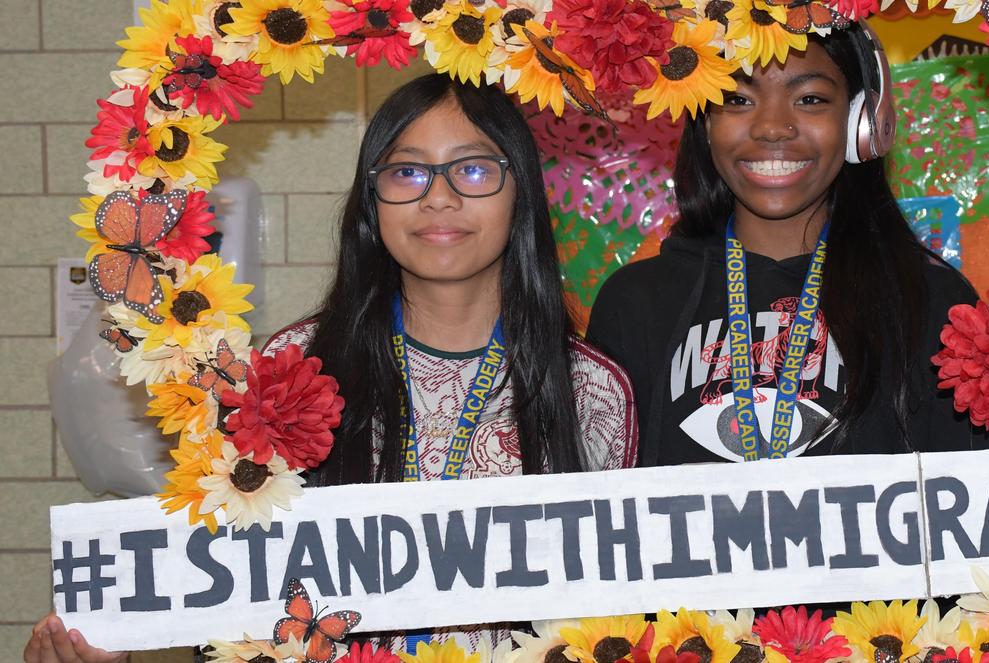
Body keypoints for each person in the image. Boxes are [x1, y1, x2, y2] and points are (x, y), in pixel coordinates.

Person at [586, 24, 989, 597]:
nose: (772, 127)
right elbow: (580, 521)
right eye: (738, 99)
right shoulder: (636, 302)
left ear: (864, 124)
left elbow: (987, 503)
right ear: (701, 121)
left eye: (810, 99)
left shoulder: (932, 298)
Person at [26, 73, 637, 663]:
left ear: (520, 192)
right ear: (373, 200)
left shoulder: (592, 389)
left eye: (474, 169)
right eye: (407, 171)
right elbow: (235, 594)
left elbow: (624, 608)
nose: (439, 196)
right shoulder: (286, 374)